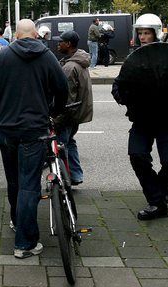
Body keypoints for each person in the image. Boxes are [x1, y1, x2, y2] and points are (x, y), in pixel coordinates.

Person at [0, 19, 68, 259]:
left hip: (7, 128)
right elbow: (62, 89)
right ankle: (25, 242)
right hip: (35, 129)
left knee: (14, 180)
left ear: (17, 36)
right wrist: (52, 109)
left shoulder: (3, 56)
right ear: (35, 35)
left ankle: (16, 220)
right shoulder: (47, 56)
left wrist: (7, 98)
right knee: (29, 184)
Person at [111, 13, 168, 221]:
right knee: (137, 156)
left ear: (156, 34)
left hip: (167, 120)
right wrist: (125, 97)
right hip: (142, 119)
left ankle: (163, 186)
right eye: (140, 33)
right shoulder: (133, 59)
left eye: (147, 33)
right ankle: (157, 202)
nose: (143, 37)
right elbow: (118, 85)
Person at [55, 30, 93, 186]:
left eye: (60, 42)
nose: (58, 44)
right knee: (70, 142)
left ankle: (65, 180)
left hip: (68, 115)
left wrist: (58, 119)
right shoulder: (80, 61)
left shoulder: (70, 68)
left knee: (61, 146)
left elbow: (67, 100)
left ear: (68, 44)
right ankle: (76, 175)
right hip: (77, 114)